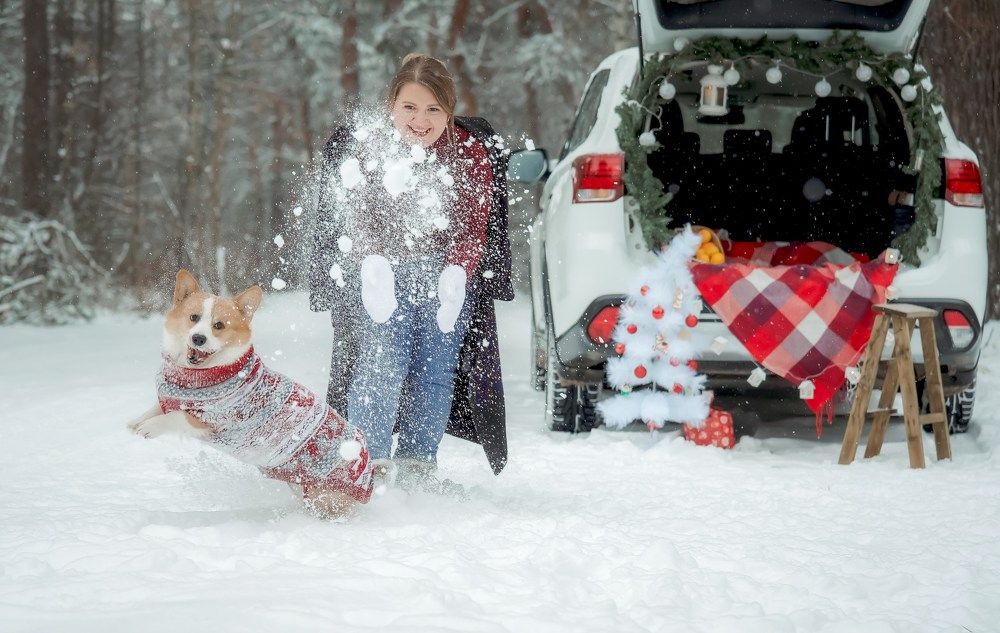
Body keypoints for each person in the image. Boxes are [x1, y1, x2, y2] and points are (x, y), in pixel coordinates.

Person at [309, 54, 513, 488]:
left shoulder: (470, 154)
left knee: (434, 372)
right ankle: (368, 466)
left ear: (449, 111)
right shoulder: (372, 148)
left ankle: (419, 468)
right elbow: (358, 214)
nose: (420, 121)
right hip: (385, 277)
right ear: (392, 106)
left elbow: (474, 225)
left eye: (433, 109)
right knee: (381, 368)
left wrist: (458, 272)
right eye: (410, 108)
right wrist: (374, 263)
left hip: (444, 281)